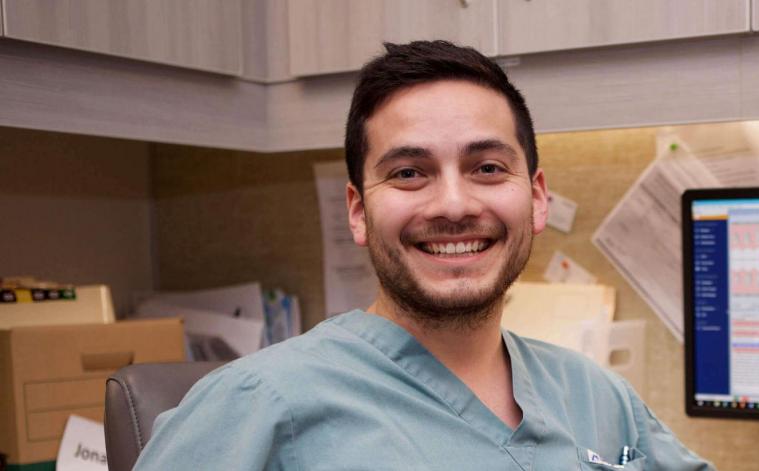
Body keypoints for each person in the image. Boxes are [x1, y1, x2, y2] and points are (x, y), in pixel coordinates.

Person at [134, 40, 714, 470]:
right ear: (358, 212)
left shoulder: (596, 397)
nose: (455, 204)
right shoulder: (258, 405)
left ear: (536, 198)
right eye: (409, 173)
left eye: (487, 168)